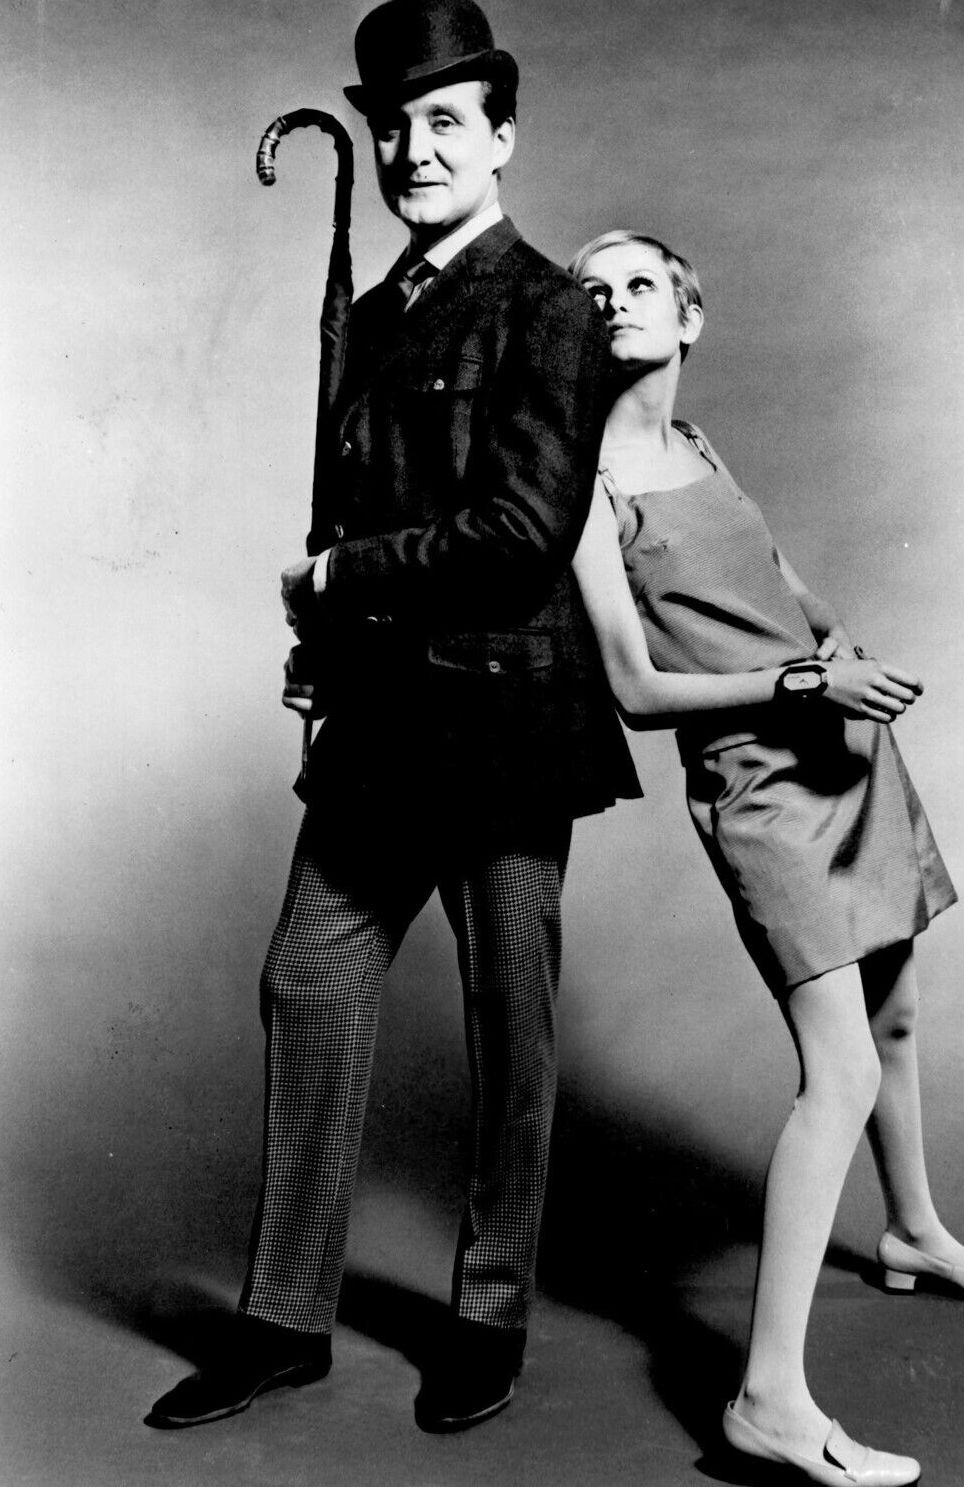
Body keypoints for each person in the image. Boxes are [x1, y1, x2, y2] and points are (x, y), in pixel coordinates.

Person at [146, 0, 640, 1435]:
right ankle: (283, 1318)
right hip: (382, 723)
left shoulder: (550, 308)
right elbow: (368, 510)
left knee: (509, 1023)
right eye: (392, 127)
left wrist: (339, 579)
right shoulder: (373, 317)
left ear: (501, 137)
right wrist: (328, 640)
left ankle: (487, 1313)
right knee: (308, 980)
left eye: (444, 122)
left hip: (508, 723)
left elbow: (521, 534)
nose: (414, 150)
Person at [564, 230, 964, 1487]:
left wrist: (842, 650)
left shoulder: (697, 445)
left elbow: (776, 579)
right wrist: (799, 680)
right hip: (758, 782)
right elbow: (635, 688)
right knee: (837, 1068)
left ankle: (915, 1229)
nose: (615, 303)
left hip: (840, 739)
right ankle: (767, 1400)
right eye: (591, 291)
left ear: (690, 315)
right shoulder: (581, 486)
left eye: (641, 285)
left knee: (895, 1014)